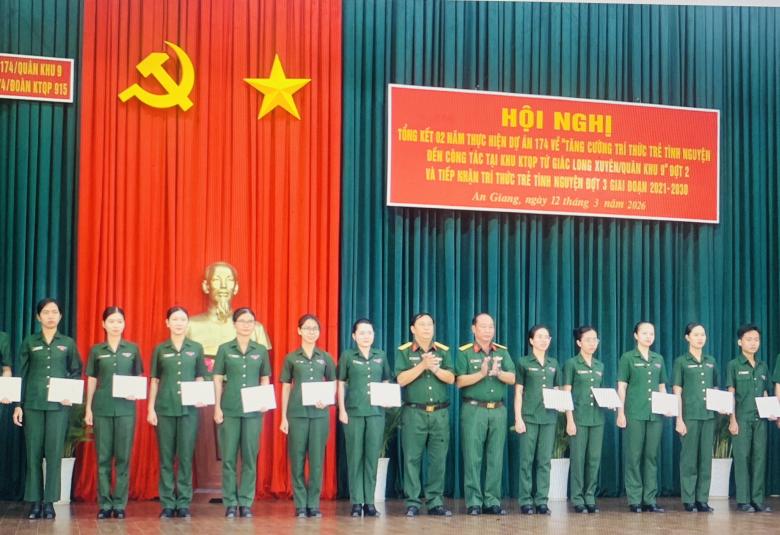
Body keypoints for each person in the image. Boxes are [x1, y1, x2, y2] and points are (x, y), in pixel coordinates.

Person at [12, 298, 82, 520]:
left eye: (54, 312)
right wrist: (18, 405)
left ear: (60, 316)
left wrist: (69, 394)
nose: (50, 316)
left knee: (54, 453)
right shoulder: (30, 342)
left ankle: (50, 502)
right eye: (46, 312)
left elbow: (76, 371)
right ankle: (34, 502)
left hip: (58, 407)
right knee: (33, 453)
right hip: (32, 405)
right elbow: (21, 374)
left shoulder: (68, 343)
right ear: (38, 316)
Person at [147, 306, 207, 518]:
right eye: (175, 319)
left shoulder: (196, 348)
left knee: (185, 457)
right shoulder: (160, 349)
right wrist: (150, 408)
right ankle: (167, 503)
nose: (179, 323)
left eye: (183, 319)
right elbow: (155, 380)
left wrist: (201, 396)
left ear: (187, 323)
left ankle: (183, 502)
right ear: (167, 323)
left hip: (189, 410)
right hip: (164, 408)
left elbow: (200, 377)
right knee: (166, 458)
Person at [84, 306, 144, 519]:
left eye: (119, 321)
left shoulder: (133, 349)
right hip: (102, 408)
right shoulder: (96, 350)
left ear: (124, 324)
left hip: (126, 410)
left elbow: (138, 378)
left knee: (123, 458)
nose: (115, 325)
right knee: (103, 458)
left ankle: (119, 504)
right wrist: (88, 408)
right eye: (111, 321)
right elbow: (92, 379)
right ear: (103, 324)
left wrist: (135, 393)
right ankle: (104, 504)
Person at [213, 307, 272, 518]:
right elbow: (217, 378)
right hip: (230, 409)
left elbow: (265, 378)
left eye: (250, 322)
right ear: (234, 324)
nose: (246, 325)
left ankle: (246, 502)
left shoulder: (260, 350)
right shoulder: (224, 349)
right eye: (242, 321)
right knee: (229, 458)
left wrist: (265, 400)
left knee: (249, 457)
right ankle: (230, 502)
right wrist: (217, 407)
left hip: (253, 411)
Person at [455, 313, 515, 516]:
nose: (488, 331)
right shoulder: (464, 352)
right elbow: (459, 381)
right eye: (483, 326)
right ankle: (474, 502)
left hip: (498, 409)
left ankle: (492, 500)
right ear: (473, 329)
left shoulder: (502, 352)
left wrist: (499, 373)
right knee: (473, 457)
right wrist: (480, 374)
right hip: (474, 409)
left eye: (491, 327)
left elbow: (512, 378)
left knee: (495, 457)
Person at [396, 312, 454, 517]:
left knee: (438, 459)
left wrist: (435, 369)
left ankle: (435, 502)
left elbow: (451, 378)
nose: (427, 328)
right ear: (413, 329)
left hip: (439, 413)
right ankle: (412, 502)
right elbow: (400, 380)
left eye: (430, 324)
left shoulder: (443, 351)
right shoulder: (404, 352)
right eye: (422, 324)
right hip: (414, 412)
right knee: (412, 458)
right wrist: (422, 365)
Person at [280, 314, 336, 518]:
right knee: (297, 459)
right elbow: (286, 387)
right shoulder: (291, 358)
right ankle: (300, 504)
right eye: (307, 328)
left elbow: (333, 384)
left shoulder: (325, 357)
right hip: (297, 414)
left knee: (317, 460)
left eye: (315, 328)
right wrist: (283, 417)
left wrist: (327, 400)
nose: (311, 332)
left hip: (320, 415)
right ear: (299, 330)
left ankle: (313, 503)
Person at [337, 318, 392, 517]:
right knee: (355, 457)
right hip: (353, 412)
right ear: (354, 336)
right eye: (361, 333)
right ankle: (356, 502)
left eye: (369, 332)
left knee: (371, 458)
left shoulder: (381, 355)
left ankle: (369, 502)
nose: (366, 336)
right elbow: (340, 383)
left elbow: (386, 380)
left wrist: (386, 399)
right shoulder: (347, 356)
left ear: (374, 335)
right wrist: (342, 410)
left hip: (376, 413)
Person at [616, 321, 668, 513]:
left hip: (655, 415)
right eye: (644, 333)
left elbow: (662, 386)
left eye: (651, 333)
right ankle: (635, 499)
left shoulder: (658, 359)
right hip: (634, 413)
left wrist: (667, 406)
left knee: (651, 456)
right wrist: (621, 412)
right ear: (636, 335)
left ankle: (650, 499)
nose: (648, 336)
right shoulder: (628, 358)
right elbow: (622, 386)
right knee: (634, 456)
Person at [514, 324, 562, 515]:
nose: (543, 340)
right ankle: (526, 500)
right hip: (529, 417)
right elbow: (518, 392)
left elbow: (557, 389)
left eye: (546, 337)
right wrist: (518, 418)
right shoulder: (523, 362)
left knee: (544, 461)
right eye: (539, 336)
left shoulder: (554, 363)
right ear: (531, 340)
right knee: (526, 460)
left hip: (548, 418)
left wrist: (561, 403)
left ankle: (542, 500)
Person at [672, 323, 719, 513]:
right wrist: (679, 419)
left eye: (703, 335)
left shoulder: (711, 361)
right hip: (689, 416)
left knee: (706, 459)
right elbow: (677, 391)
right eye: (696, 334)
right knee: (689, 459)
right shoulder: (681, 361)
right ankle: (689, 499)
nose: (700, 338)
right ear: (687, 337)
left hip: (708, 416)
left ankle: (702, 499)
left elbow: (715, 388)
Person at [726, 324, 774, 513]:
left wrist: (771, 411)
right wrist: (732, 420)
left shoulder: (763, 366)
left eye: (756, 340)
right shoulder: (734, 365)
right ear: (740, 342)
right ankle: (743, 500)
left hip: (760, 419)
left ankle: (757, 499)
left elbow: (765, 392)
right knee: (742, 458)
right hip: (741, 419)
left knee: (759, 458)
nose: (753, 343)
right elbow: (731, 393)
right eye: (749, 339)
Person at [562, 325, 605, 514]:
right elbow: (566, 393)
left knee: (594, 459)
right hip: (578, 417)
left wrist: (609, 401)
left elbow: (602, 391)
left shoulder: (599, 365)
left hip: (597, 418)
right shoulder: (572, 364)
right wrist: (569, 420)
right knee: (578, 459)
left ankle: (590, 496)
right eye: (588, 340)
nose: (592, 343)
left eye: (595, 339)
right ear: (579, 342)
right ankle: (578, 498)